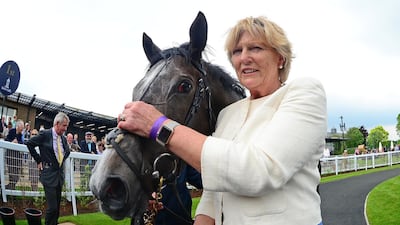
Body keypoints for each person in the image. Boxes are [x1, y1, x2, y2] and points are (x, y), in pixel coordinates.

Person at [117, 16, 327, 225]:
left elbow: (260, 171)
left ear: (280, 58)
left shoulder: (304, 93)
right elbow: (215, 192)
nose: (244, 58)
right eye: (237, 51)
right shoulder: (229, 113)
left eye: (255, 48)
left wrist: (157, 125)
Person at [26, 112, 71, 225]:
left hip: (59, 176)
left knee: (57, 209)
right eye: (64, 126)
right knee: (52, 208)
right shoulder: (45, 134)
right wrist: (39, 160)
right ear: (57, 123)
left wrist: (60, 161)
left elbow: (68, 151)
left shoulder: (63, 139)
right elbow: (30, 144)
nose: (65, 129)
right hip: (49, 175)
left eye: (66, 126)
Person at [5, 119, 25, 189]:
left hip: (17, 157)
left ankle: (10, 188)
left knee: (16, 175)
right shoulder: (11, 131)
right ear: (18, 126)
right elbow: (6, 140)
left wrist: (18, 143)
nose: (22, 129)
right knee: (12, 174)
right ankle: (9, 189)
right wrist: (12, 142)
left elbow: (22, 143)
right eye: (21, 127)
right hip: (10, 156)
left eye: (23, 128)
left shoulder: (20, 135)